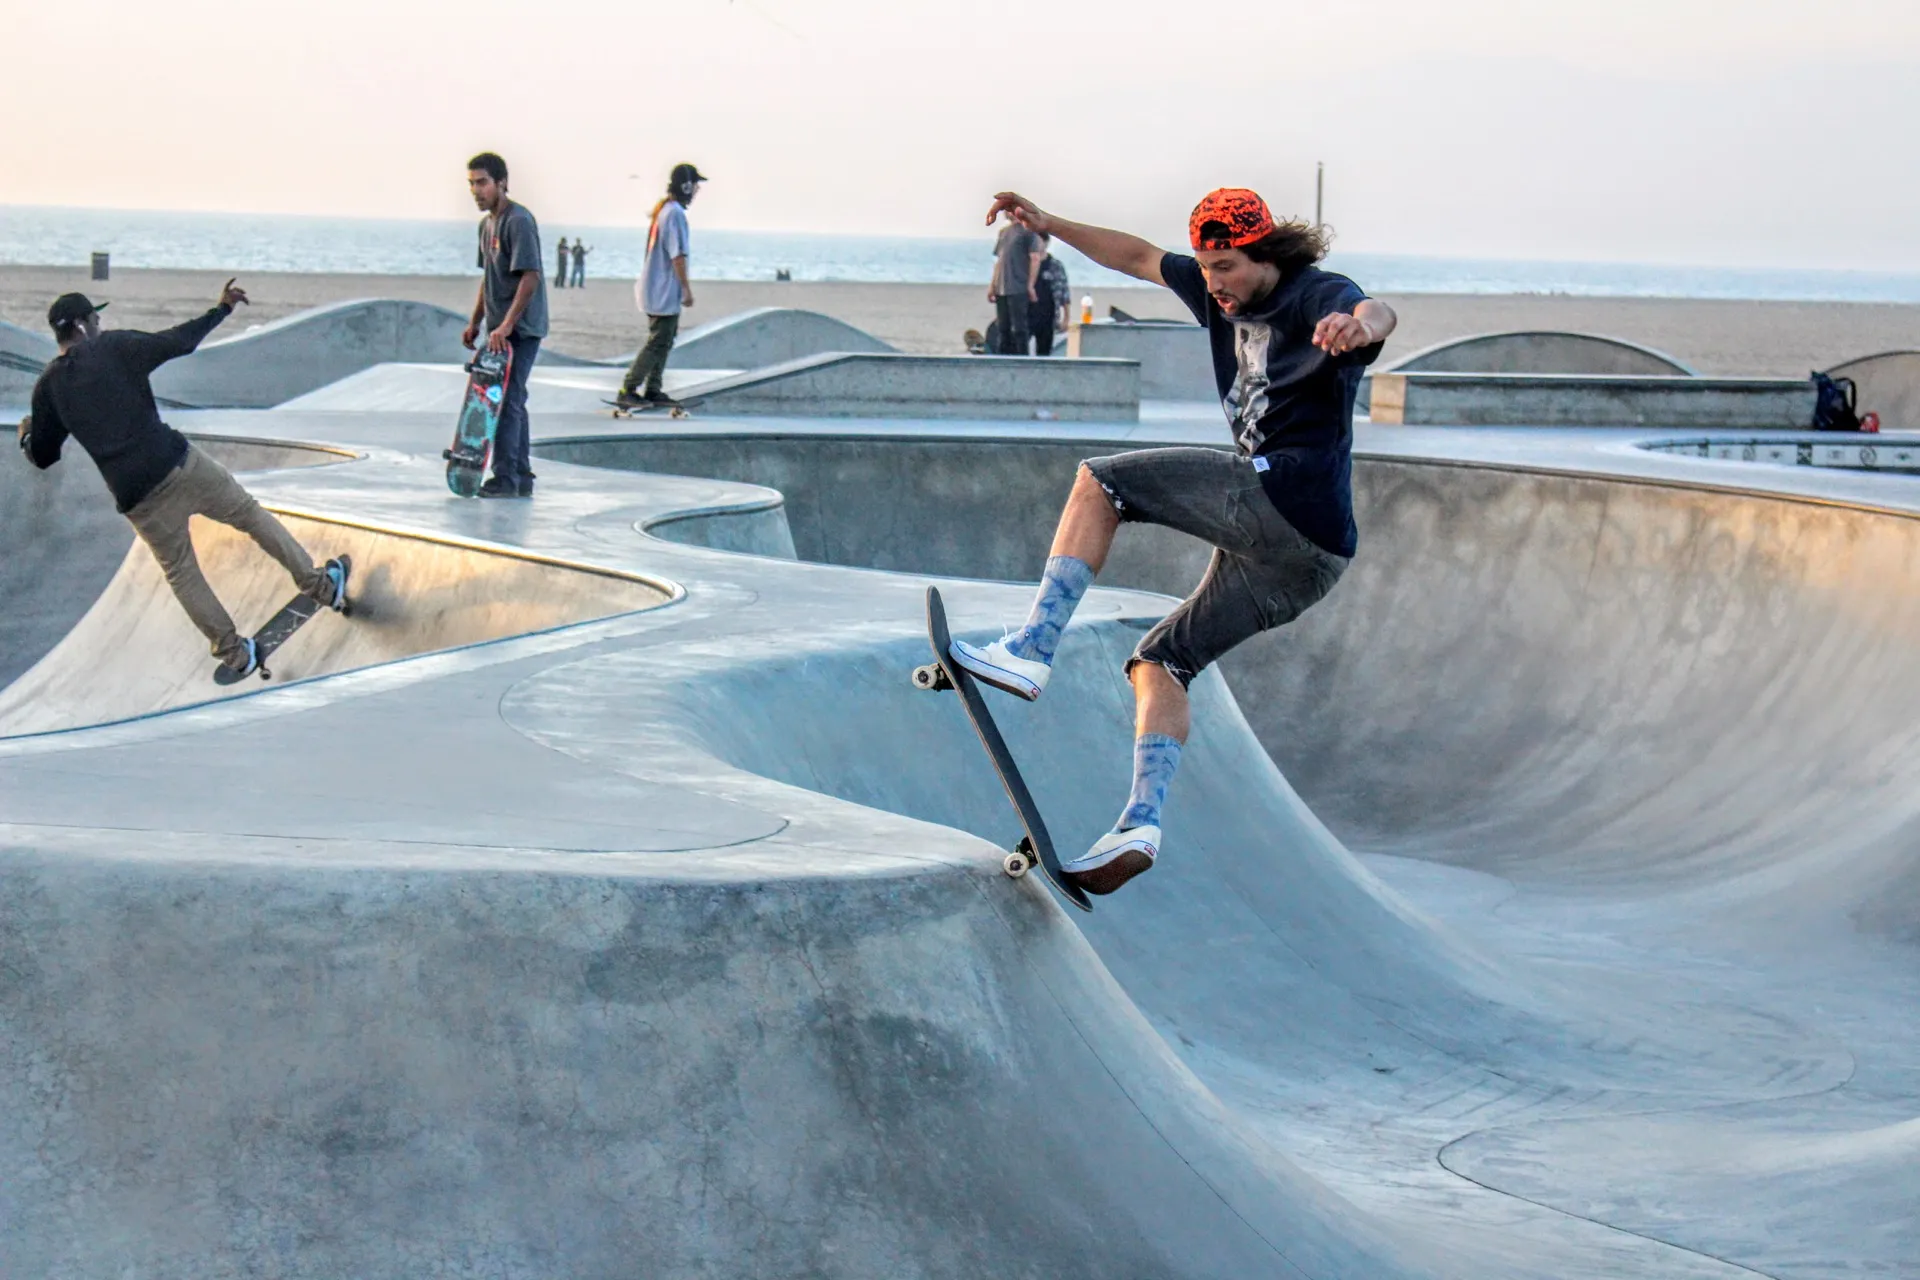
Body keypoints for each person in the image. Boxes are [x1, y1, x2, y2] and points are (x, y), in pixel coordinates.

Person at [955, 188, 1397, 896]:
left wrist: (1358, 325)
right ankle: (1139, 822)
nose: (1215, 284)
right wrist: (1051, 225)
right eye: (1206, 267)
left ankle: (1034, 649)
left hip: (1284, 496)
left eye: (1227, 267)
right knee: (1161, 662)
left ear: (1266, 254)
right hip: (1312, 561)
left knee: (1101, 484)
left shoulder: (1318, 296)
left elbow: (1378, 312)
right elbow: (1135, 256)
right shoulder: (1211, 287)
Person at [17, 285, 349, 677]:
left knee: (180, 571)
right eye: (95, 319)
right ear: (81, 325)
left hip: (136, 497)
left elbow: (43, 455)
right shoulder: (116, 347)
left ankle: (236, 654)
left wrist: (27, 433)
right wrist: (220, 310)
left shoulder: (49, 387)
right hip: (176, 463)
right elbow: (178, 342)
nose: (100, 325)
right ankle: (320, 587)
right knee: (248, 514)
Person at [461, 151, 549, 498]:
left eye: (482, 182)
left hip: (522, 329)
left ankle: (505, 479)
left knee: (507, 400)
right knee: (512, 400)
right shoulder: (487, 226)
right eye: (471, 184)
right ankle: (521, 476)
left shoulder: (519, 221)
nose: (476, 191)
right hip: (499, 331)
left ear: (501, 183)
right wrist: (475, 323)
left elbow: (531, 277)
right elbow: (489, 278)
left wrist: (507, 325)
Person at [617, 163, 705, 411]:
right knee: (658, 340)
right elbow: (678, 256)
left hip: (656, 287)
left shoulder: (665, 210)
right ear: (686, 186)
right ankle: (629, 388)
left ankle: (653, 388)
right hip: (662, 288)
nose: (696, 191)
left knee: (665, 339)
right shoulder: (674, 213)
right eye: (695, 185)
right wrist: (686, 288)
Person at [987, 215, 1041, 355]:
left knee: (1019, 329)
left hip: (1018, 287)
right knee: (1002, 328)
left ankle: (1023, 360)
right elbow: (999, 259)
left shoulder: (1028, 231)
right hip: (1002, 287)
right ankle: (1002, 360)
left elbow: (1035, 258)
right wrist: (993, 285)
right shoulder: (1004, 232)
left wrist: (1030, 285)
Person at [1030, 235, 1070, 356]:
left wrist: (1066, 318)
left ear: (1046, 243)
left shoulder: (1055, 265)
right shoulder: (1026, 264)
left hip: (1048, 315)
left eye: (1039, 241)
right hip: (1027, 313)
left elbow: (1064, 294)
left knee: (1044, 351)